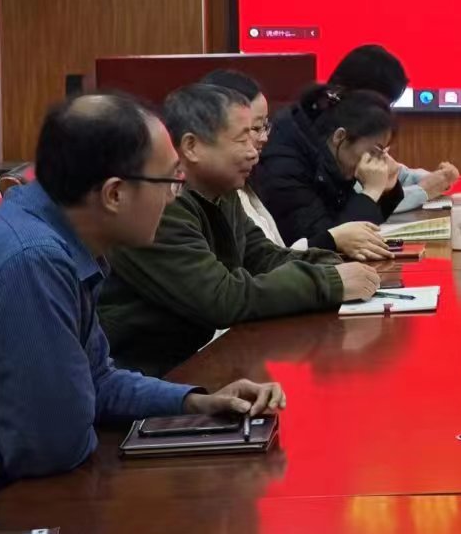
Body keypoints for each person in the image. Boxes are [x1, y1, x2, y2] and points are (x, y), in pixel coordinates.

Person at [0, 94, 284, 534]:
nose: (175, 197)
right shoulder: (33, 260)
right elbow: (53, 447)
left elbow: (96, 379)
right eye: (170, 180)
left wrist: (193, 402)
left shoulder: (44, 231)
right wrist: (81, 408)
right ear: (114, 194)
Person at [100, 84, 382, 378]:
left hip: (192, 365)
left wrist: (332, 265)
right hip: (146, 378)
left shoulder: (222, 192)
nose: (254, 152)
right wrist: (329, 282)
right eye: (242, 139)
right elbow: (222, 298)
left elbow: (265, 257)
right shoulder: (163, 205)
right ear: (192, 146)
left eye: (257, 133)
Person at [253, 84, 409, 255]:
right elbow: (328, 240)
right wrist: (371, 191)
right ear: (340, 136)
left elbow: (354, 228)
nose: (377, 160)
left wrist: (386, 192)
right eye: (375, 151)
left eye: (383, 152)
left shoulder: (330, 157)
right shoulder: (285, 165)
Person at [327, 44, 460, 212]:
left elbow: (391, 172)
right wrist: (423, 190)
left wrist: (436, 179)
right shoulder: (329, 134)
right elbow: (362, 203)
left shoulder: (356, 122)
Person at [201, 68, 289, 247]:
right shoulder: (182, 202)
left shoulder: (236, 189)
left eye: (265, 126)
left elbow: (266, 254)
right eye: (254, 129)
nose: (264, 138)